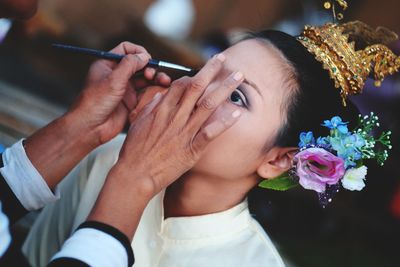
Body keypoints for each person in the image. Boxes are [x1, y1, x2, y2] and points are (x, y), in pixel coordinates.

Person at [24, 25, 368, 266]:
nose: (197, 92)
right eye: (207, 71)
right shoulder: (110, 158)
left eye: (236, 96)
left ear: (278, 160)